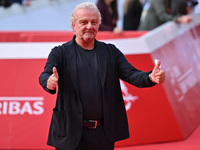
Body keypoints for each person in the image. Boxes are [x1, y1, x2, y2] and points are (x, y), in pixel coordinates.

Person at [39, 2, 165, 150]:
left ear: (99, 24)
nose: (89, 26)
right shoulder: (60, 53)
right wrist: (49, 81)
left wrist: (150, 77)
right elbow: (45, 74)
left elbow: (132, 74)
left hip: (103, 134)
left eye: (94, 22)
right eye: (83, 22)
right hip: (69, 132)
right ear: (73, 25)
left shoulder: (110, 52)